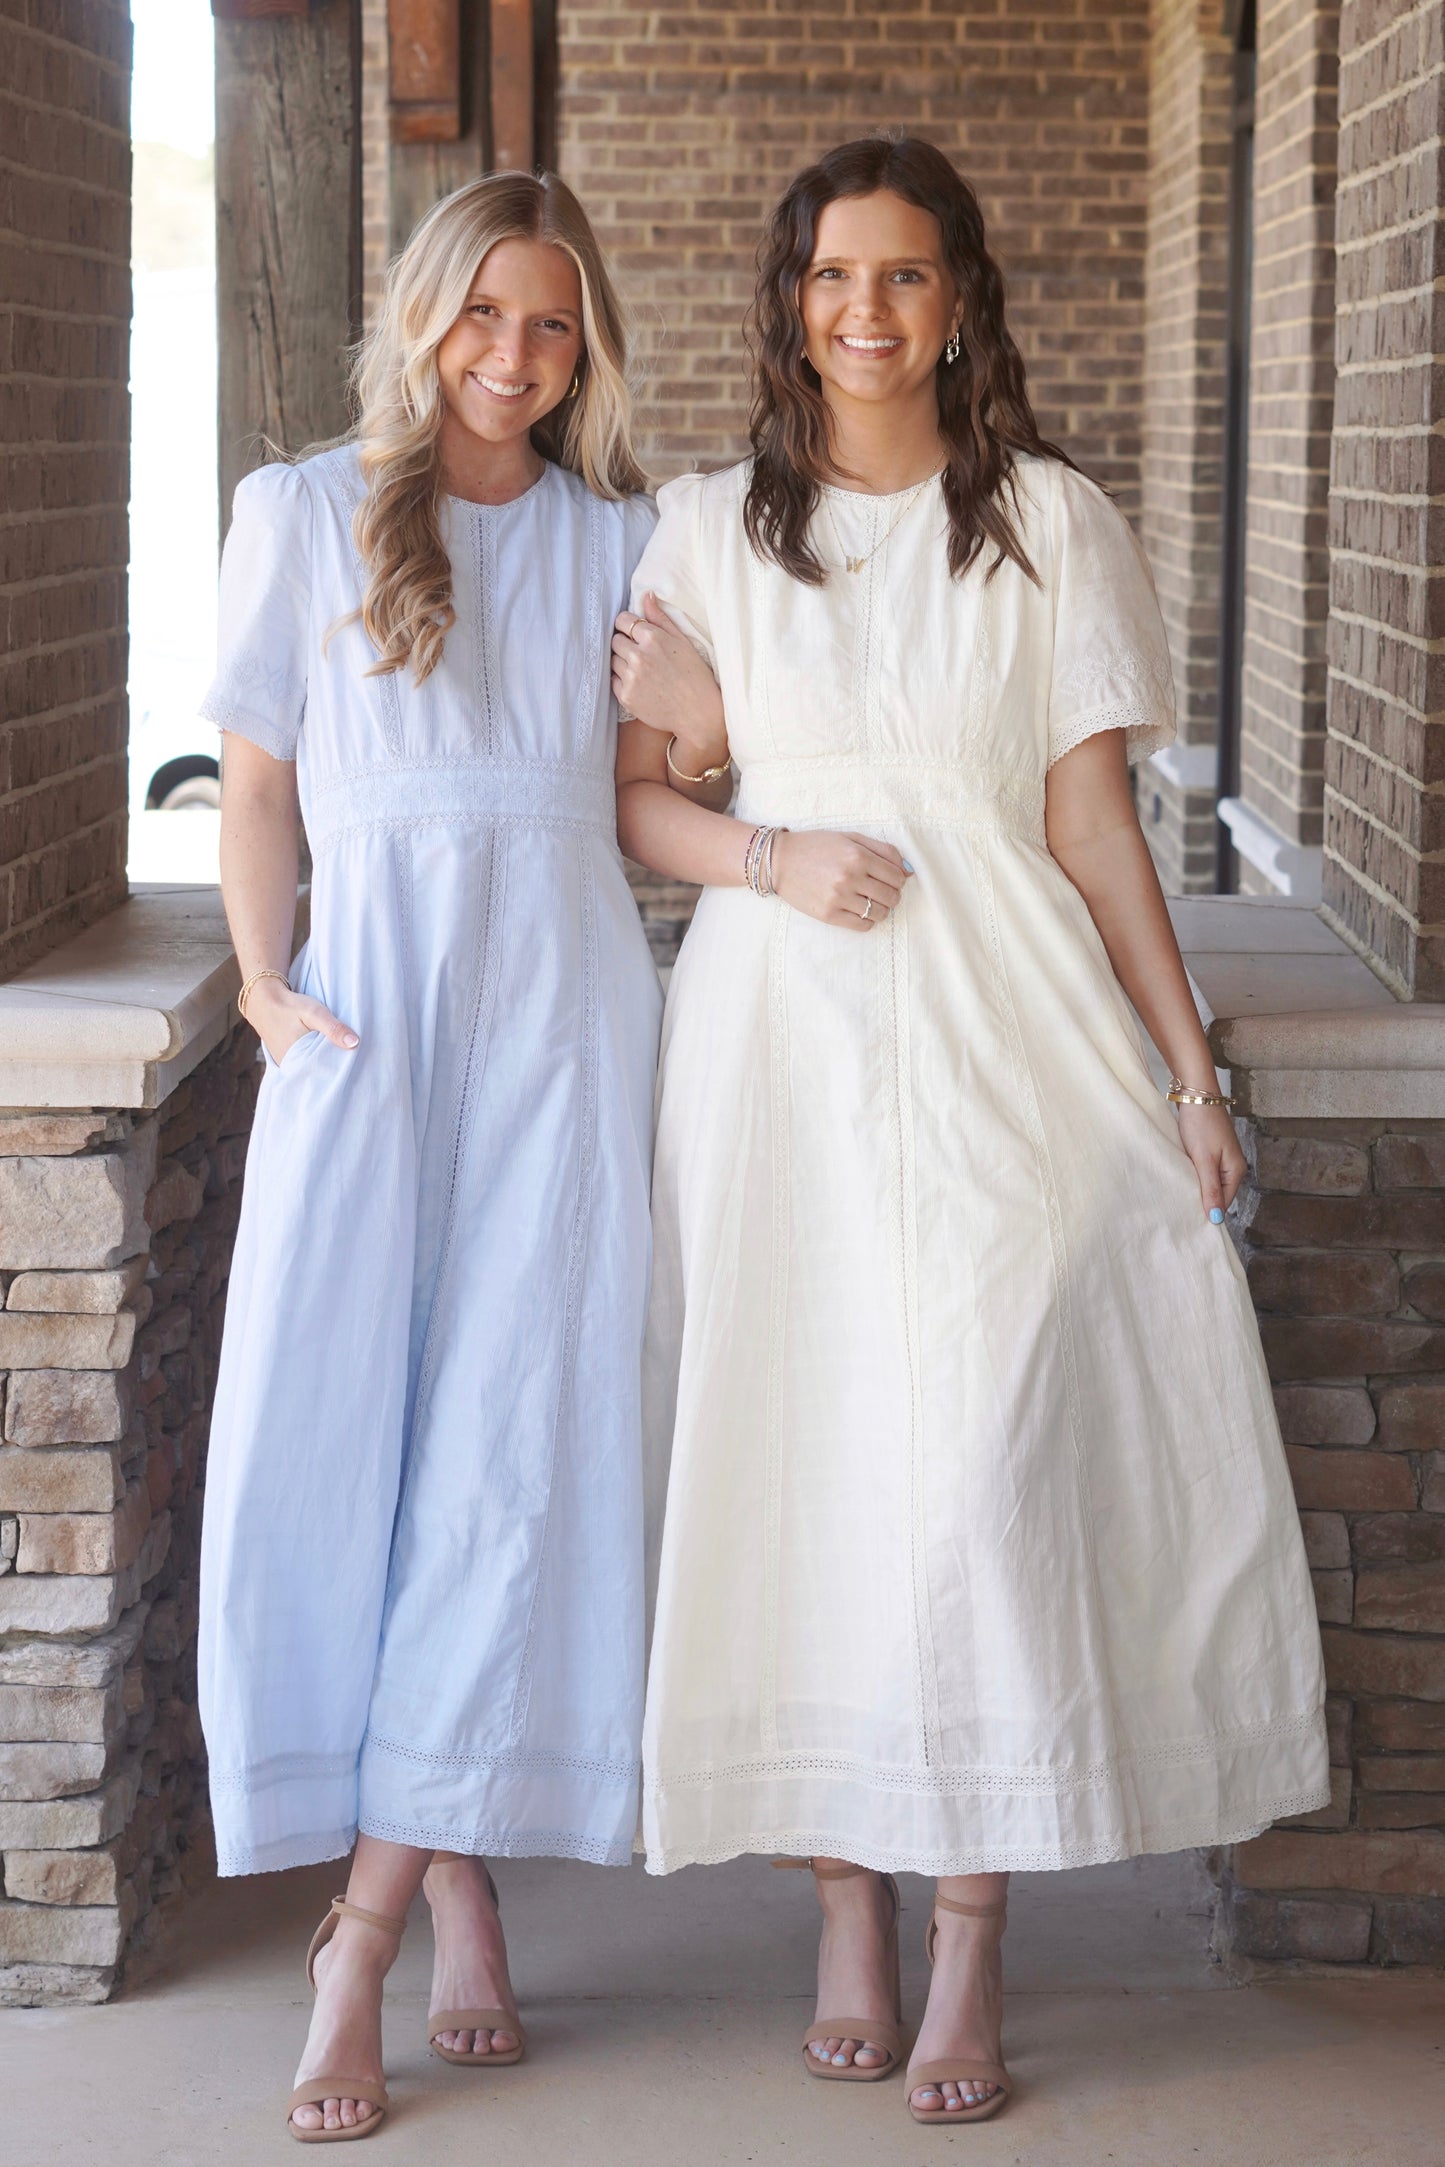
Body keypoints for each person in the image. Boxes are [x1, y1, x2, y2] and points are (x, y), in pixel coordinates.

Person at [612, 134, 1328, 2127]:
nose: (866, 313)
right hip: (783, 1053)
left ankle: (976, 1925)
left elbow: (1093, 821)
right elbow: (638, 805)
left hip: (1008, 1032)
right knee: (812, 1457)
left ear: (961, 299)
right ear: (789, 299)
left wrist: (1187, 1073)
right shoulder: (702, 529)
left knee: (978, 1458)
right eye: (835, 277)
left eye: (906, 278)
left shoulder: (1050, 523)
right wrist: (763, 833)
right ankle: (849, 1908)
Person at [198, 171, 661, 2143]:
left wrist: (707, 719)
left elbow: (668, 787)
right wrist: (261, 988)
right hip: (372, 1029)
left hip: (559, 1035)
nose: (514, 360)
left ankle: (370, 1934)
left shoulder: (623, 538)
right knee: (353, 1447)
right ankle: (457, 1879)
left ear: (587, 348)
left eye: (552, 327)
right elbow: (259, 780)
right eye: (484, 318)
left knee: (500, 1465)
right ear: (422, 317)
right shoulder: (300, 513)